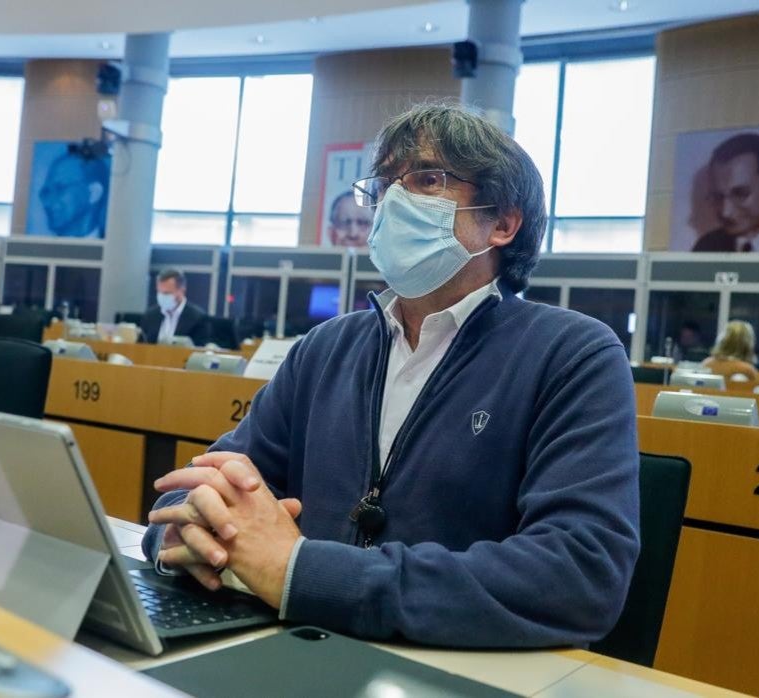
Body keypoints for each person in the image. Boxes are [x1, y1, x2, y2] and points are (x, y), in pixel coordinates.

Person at [141, 103, 640, 648]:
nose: (393, 201)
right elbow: (203, 486)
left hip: (453, 669)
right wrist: (184, 532)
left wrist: (301, 571)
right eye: (384, 185)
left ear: (503, 222)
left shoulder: (573, 354)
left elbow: (580, 573)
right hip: (298, 645)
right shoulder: (327, 347)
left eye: (426, 179)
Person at [37, 150, 109, 238]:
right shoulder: (37, 250)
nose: (48, 202)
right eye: (46, 192)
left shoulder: (118, 247)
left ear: (94, 193)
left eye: (60, 189)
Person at [139, 268, 208, 346]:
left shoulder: (198, 318)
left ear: (182, 291)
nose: (162, 296)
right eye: (159, 292)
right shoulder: (150, 315)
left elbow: (199, 351)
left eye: (166, 293)